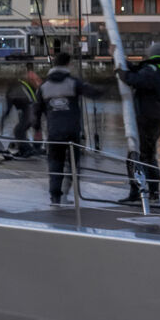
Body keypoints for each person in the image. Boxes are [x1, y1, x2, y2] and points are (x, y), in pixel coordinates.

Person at [39, 52, 103, 205]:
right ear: (68, 64)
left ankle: (55, 197)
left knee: (55, 163)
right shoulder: (74, 83)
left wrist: (36, 128)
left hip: (54, 132)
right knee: (74, 165)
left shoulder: (44, 86)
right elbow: (94, 93)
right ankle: (66, 194)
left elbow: (37, 109)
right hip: (72, 131)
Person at [117, 43, 160, 204]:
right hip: (157, 117)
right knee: (149, 155)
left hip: (145, 117)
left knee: (135, 155)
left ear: (150, 55)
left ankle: (136, 191)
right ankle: (154, 193)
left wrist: (121, 72)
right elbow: (140, 73)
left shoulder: (151, 71)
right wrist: (126, 64)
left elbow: (134, 79)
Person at [0, 68, 43, 155]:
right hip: (35, 110)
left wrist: (1, 123)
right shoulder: (23, 85)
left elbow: (8, 110)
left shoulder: (11, 91)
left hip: (29, 112)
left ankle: (28, 150)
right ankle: (35, 148)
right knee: (30, 129)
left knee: (18, 131)